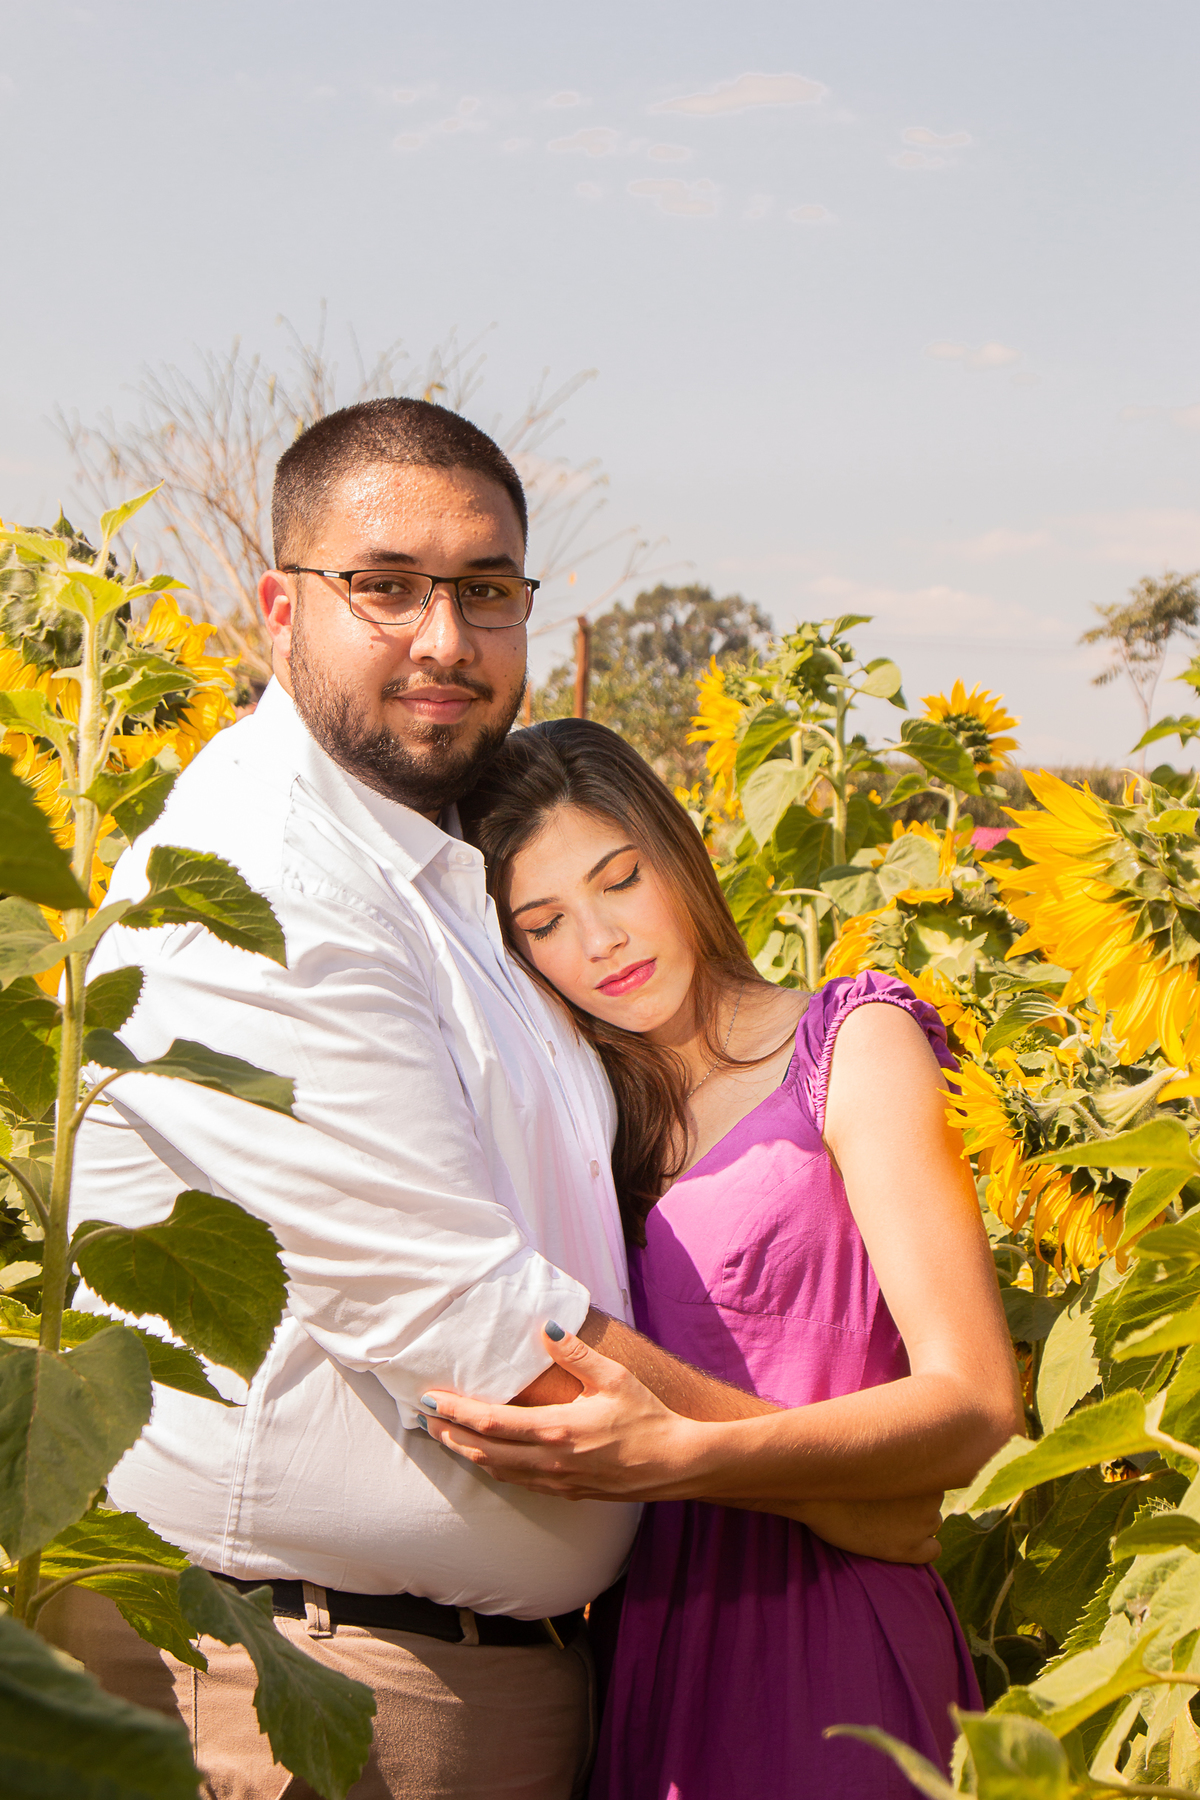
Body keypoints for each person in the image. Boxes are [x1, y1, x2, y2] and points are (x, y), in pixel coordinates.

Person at [48, 400, 943, 1800]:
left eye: (484, 591)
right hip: (313, 1683)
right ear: (280, 609)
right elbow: (471, 1327)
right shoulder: (266, 885)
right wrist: (839, 1491)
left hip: (509, 1677)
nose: (445, 639)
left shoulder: (446, 869)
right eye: (385, 586)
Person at [417, 718, 1024, 1799]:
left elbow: (976, 1403)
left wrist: (688, 1456)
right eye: (545, 923)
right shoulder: (578, 1125)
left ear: (679, 854)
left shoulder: (848, 1045)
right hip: (645, 1646)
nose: (602, 941)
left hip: (834, 1640)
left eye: (620, 880)